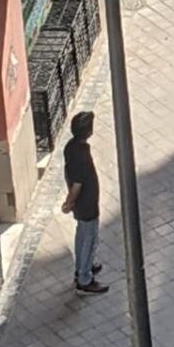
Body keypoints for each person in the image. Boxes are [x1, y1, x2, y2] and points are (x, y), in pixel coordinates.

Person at [62, 111, 107, 294]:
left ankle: (81, 267)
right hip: (86, 203)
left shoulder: (71, 147)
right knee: (90, 239)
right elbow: (77, 184)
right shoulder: (81, 155)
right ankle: (85, 279)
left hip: (82, 204)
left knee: (81, 235)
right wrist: (69, 202)